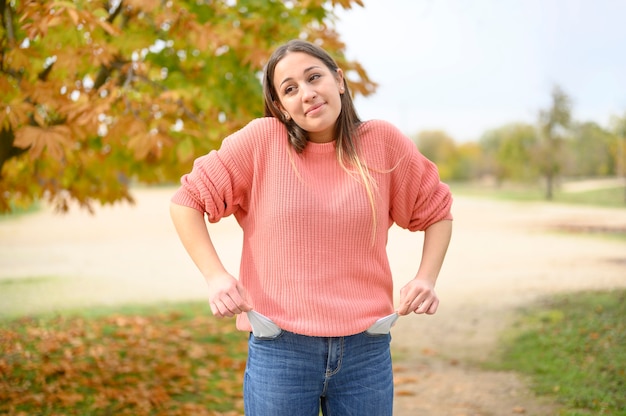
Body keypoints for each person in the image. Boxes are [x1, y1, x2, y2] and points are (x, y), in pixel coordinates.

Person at [170, 39, 453, 416]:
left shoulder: (382, 142)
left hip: (365, 350)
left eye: (313, 77)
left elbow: (437, 210)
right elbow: (186, 202)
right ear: (281, 107)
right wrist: (216, 277)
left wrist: (426, 278)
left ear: (338, 80)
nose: (306, 94)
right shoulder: (261, 142)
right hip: (280, 350)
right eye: (290, 89)